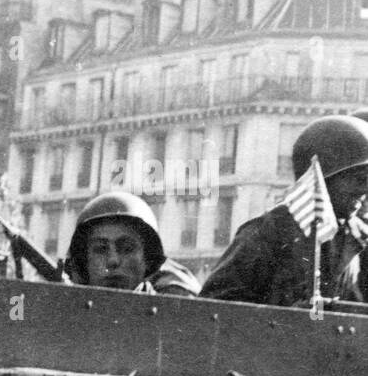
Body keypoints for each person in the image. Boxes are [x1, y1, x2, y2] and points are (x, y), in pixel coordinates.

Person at [202, 116, 368, 306]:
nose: (366, 190)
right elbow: (213, 310)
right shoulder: (266, 234)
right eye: (359, 179)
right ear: (321, 178)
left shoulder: (359, 236)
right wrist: (290, 318)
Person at [61, 191, 200, 294]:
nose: (113, 261)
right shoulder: (61, 312)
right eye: (101, 249)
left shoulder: (171, 313)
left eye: (127, 249)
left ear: (147, 259)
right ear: (84, 261)